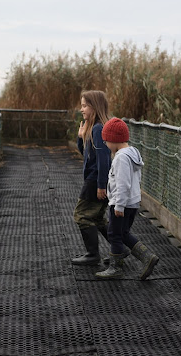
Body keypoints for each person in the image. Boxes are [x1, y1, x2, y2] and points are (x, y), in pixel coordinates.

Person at [95, 117, 159, 280]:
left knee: (115, 233)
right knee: (122, 232)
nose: (106, 145)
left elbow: (123, 184)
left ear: (113, 139)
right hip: (132, 202)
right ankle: (145, 257)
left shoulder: (122, 158)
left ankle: (117, 267)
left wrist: (119, 205)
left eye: (106, 141)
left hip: (121, 203)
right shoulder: (133, 153)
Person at [71, 90, 112, 266]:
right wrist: (81, 138)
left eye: (85, 105)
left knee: (81, 215)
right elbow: (87, 156)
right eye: (82, 105)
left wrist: (101, 185)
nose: (82, 109)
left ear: (95, 107)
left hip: (95, 181)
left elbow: (104, 161)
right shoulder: (94, 128)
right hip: (95, 179)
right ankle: (121, 248)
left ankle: (93, 254)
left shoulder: (98, 129)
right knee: (96, 218)